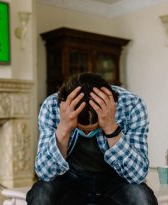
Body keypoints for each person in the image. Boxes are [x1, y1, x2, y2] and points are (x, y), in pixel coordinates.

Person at [26, 72, 158, 205]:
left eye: (94, 128)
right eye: (81, 128)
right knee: (40, 195)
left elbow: (138, 175)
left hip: (116, 180)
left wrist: (111, 128)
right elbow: (44, 173)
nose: (87, 133)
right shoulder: (52, 106)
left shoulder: (132, 105)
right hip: (69, 180)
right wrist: (64, 128)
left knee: (141, 197)